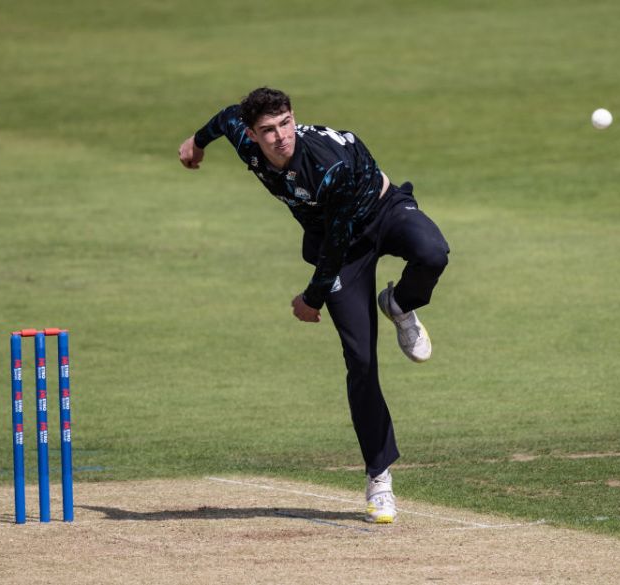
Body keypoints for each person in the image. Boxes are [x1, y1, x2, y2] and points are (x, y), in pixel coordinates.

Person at [178, 88, 449, 524]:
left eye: (286, 123)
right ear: (252, 134)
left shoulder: (327, 165)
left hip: (381, 209)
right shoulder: (243, 134)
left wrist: (311, 298)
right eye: (268, 130)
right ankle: (379, 476)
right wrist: (196, 142)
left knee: (433, 252)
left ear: (293, 118)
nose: (281, 136)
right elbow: (226, 116)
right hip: (338, 244)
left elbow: (339, 239)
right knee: (360, 359)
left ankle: (399, 304)